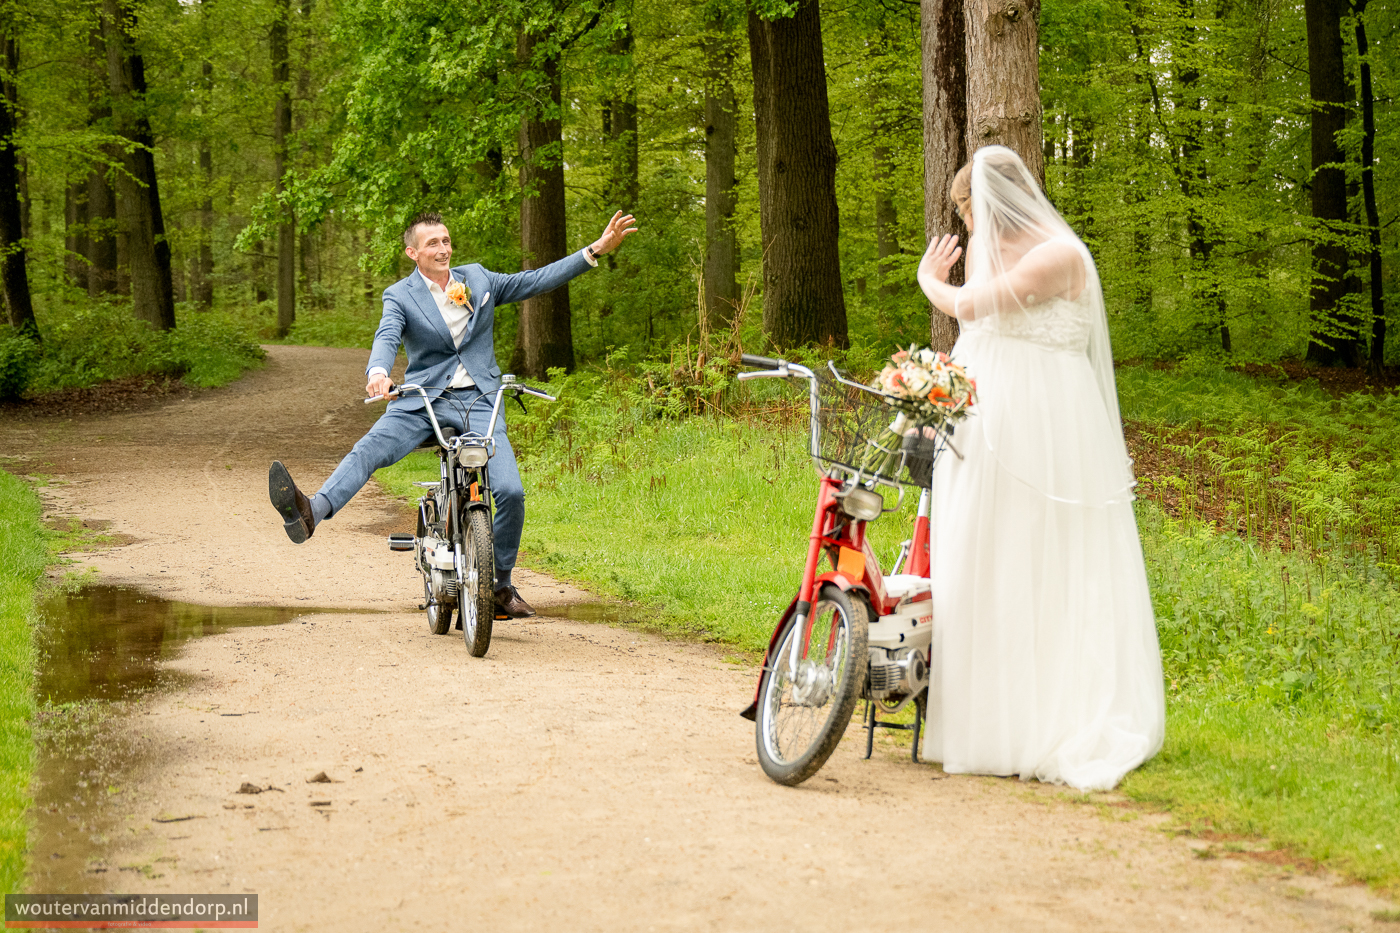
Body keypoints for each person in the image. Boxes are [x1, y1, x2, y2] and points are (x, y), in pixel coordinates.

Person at [915, 146, 1165, 791]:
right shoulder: (996, 252)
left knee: (1048, 553)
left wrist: (931, 280)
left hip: (1048, 424)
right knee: (987, 553)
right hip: (992, 418)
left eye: (968, 212)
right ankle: (993, 714)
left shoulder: (1058, 255)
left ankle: (1056, 713)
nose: (968, 226)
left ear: (993, 203)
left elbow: (973, 310)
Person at [268, 209, 638, 619]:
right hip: (423, 398)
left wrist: (594, 250)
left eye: (445, 241)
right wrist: (377, 372)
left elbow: (532, 281)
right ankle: (312, 511)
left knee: (511, 492)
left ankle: (498, 587)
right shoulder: (400, 295)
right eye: (432, 243)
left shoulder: (477, 278)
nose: (443, 249)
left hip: (481, 398)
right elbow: (387, 335)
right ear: (413, 252)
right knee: (369, 449)